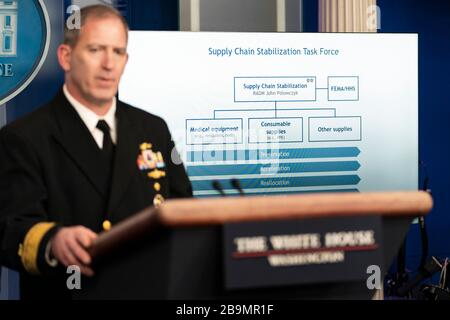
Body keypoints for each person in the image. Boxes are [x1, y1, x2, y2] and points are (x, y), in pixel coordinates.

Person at [0, 5, 192, 299]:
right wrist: (53, 240)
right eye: (95, 50)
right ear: (65, 56)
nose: (108, 64)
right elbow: (9, 230)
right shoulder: (24, 137)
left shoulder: (153, 129)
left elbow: (183, 210)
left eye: (117, 52)